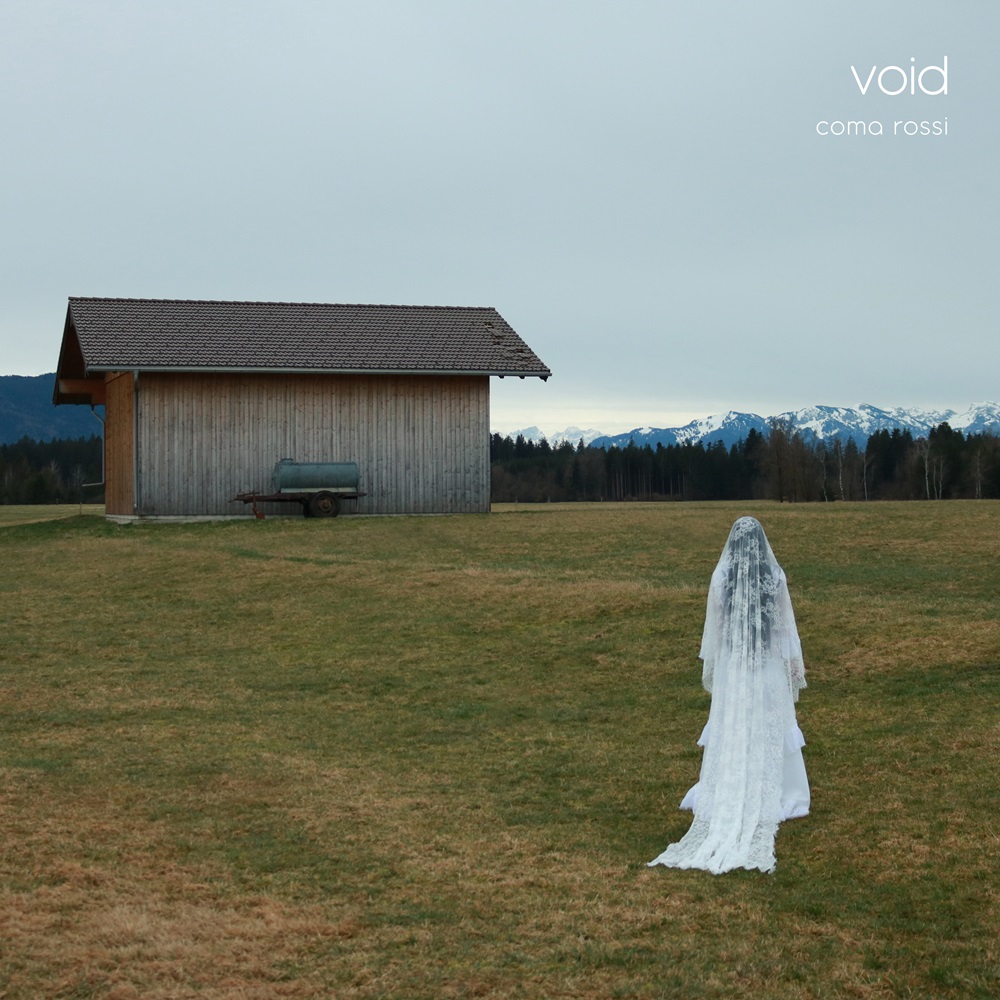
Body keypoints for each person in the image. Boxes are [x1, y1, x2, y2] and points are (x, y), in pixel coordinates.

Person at [648, 516, 809, 874]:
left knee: (736, 726)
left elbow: (716, 636)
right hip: (766, 670)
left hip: (735, 669)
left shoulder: (721, 578)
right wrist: (791, 671)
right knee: (769, 727)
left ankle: (731, 785)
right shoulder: (776, 577)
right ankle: (781, 792)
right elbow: (785, 632)